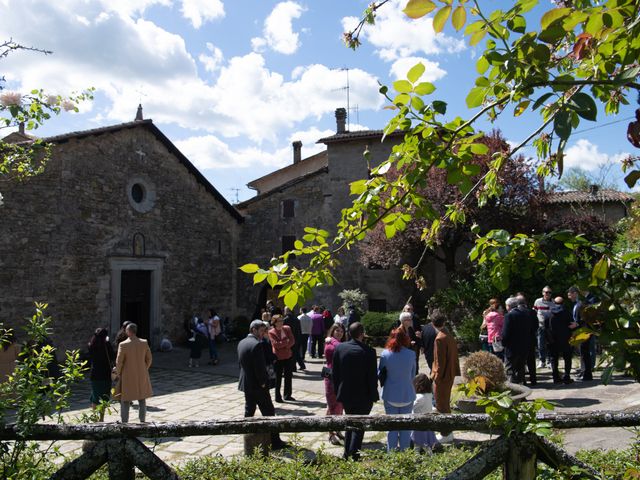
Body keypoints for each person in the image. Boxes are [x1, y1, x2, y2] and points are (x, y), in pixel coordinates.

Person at [238, 319, 288, 450]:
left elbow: (241, 365)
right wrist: (263, 383)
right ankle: (275, 442)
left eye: (263, 331)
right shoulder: (256, 344)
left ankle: (247, 437)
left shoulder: (242, 342)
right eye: (261, 331)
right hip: (258, 386)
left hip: (247, 384)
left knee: (249, 411)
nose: (262, 333)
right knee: (269, 412)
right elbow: (260, 368)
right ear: (253, 330)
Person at [332, 322, 379, 460]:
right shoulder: (369, 351)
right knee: (359, 426)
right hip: (363, 395)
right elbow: (372, 377)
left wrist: (337, 391)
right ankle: (354, 454)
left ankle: (347, 453)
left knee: (350, 423)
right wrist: (373, 395)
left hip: (346, 393)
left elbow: (336, 373)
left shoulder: (340, 348)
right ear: (362, 334)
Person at [379, 328, 416, 451]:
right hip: (407, 394)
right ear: (405, 339)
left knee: (392, 427)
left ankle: (392, 456)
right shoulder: (411, 354)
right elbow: (412, 375)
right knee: (405, 428)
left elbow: (381, 373)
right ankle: (404, 454)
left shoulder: (385, 354)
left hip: (390, 394)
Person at [430, 309, 460, 443]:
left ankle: (446, 433)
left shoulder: (440, 338)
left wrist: (435, 377)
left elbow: (439, 362)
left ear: (432, 323)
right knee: (444, 403)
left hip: (443, 376)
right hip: (450, 373)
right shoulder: (448, 334)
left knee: (441, 404)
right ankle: (447, 432)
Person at [115, 323, 153, 423]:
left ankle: (124, 422)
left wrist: (118, 374)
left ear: (128, 331)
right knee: (142, 399)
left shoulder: (123, 345)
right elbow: (149, 359)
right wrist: (144, 368)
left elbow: (119, 362)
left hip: (127, 376)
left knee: (125, 400)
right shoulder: (144, 342)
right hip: (141, 374)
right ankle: (142, 421)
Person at [323, 322, 346, 446]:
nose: (340, 333)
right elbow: (338, 348)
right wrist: (331, 340)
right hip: (331, 378)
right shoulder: (331, 342)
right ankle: (331, 433)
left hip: (340, 378)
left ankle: (337, 429)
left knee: (339, 405)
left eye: (341, 331)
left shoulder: (337, 342)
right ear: (332, 331)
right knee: (332, 406)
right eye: (337, 331)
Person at [501, 297, 531, 384]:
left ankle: (513, 392)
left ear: (508, 306)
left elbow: (505, 333)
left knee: (510, 370)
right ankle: (522, 393)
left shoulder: (509, 315)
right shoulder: (525, 314)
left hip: (512, 347)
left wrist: (504, 343)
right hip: (524, 346)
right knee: (521, 370)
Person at [88, 328, 115, 421]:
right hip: (105, 374)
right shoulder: (107, 345)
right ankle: (101, 418)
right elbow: (112, 357)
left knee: (95, 396)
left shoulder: (91, 345)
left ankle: (94, 416)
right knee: (104, 396)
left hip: (95, 374)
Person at [547, 296, 576, 384]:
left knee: (553, 358)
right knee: (567, 358)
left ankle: (555, 377)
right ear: (563, 303)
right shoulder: (566, 312)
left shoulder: (550, 313)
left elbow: (546, 326)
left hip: (553, 339)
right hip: (565, 338)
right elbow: (571, 325)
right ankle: (567, 376)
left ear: (554, 303)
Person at [268, 314, 295, 402]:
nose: (281, 322)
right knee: (278, 377)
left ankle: (287, 395)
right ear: (275, 323)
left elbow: (292, 341)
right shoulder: (271, 332)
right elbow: (276, 345)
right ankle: (277, 397)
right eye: (279, 321)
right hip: (278, 357)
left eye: (282, 320)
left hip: (288, 355)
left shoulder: (287, 328)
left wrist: (283, 344)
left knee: (288, 376)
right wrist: (285, 342)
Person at [567, 286, 593, 381]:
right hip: (579, 330)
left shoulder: (582, 304)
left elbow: (585, 318)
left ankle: (587, 374)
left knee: (585, 352)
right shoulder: (577, 304)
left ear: (575, 293)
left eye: (570, 295)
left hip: (584, 331)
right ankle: (583, 372)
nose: (569, 297)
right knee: (582, 352)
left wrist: (577, 323)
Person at [411, 373, 438, 453]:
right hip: (427, 423)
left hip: (419, 424)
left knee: (420, 443)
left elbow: (411, 407)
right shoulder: (429, 395)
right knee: (421, 444)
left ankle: (421, 457)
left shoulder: (419, 397)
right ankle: (423, 456)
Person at [517, 294, 539, 386]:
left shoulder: (516, 313)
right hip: (530, 338)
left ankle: (523, 381)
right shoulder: (532, 312)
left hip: (520, 340)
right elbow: (536, 325)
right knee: (531, 360)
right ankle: (533, 379)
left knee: (521, 361)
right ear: (525, 302)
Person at [533, 286, 554, 368]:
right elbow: (534, 312)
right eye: (546, 292)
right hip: (540, 326)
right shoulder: (538, 301)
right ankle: (542, 361)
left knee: (550, 344)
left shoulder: (553, 302)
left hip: (550, 327)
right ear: (542, 293)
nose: (548, 294)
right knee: (540, 344)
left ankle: (549, 361)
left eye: (549, 292)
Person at [283, 306, 305, 371]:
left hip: (288, 339)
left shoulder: (285, 320)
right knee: (295, 353)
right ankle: (295, 367)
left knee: (290, 354)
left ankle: (292, 368)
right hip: (296, 339)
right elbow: (299, 330)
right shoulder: (297, 319)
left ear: (287, 311)